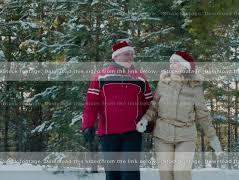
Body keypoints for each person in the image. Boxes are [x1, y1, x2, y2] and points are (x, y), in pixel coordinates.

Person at [136, 51, 222, 180]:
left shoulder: (195, 88)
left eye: (175, 63)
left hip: (185, 136)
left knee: (181, 173)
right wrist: (145, 119)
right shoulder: (163, 83)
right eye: (171, 62)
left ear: (185, 66)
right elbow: (154, 106)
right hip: (162, 134)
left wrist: (213, 137)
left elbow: (203, 115)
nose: (172, 65)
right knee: (166, 175)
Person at [81, 41, 153, 180]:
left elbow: (148, 102)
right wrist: (87, 126)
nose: (130, 57)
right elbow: (91, 104)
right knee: (113, 174)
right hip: (108, 133)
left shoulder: (139, 77)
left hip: (133, 132)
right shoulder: (101, 76)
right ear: (115, 57)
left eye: (132, 55)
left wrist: (150, 121)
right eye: (127, 54)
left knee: (130, 173)